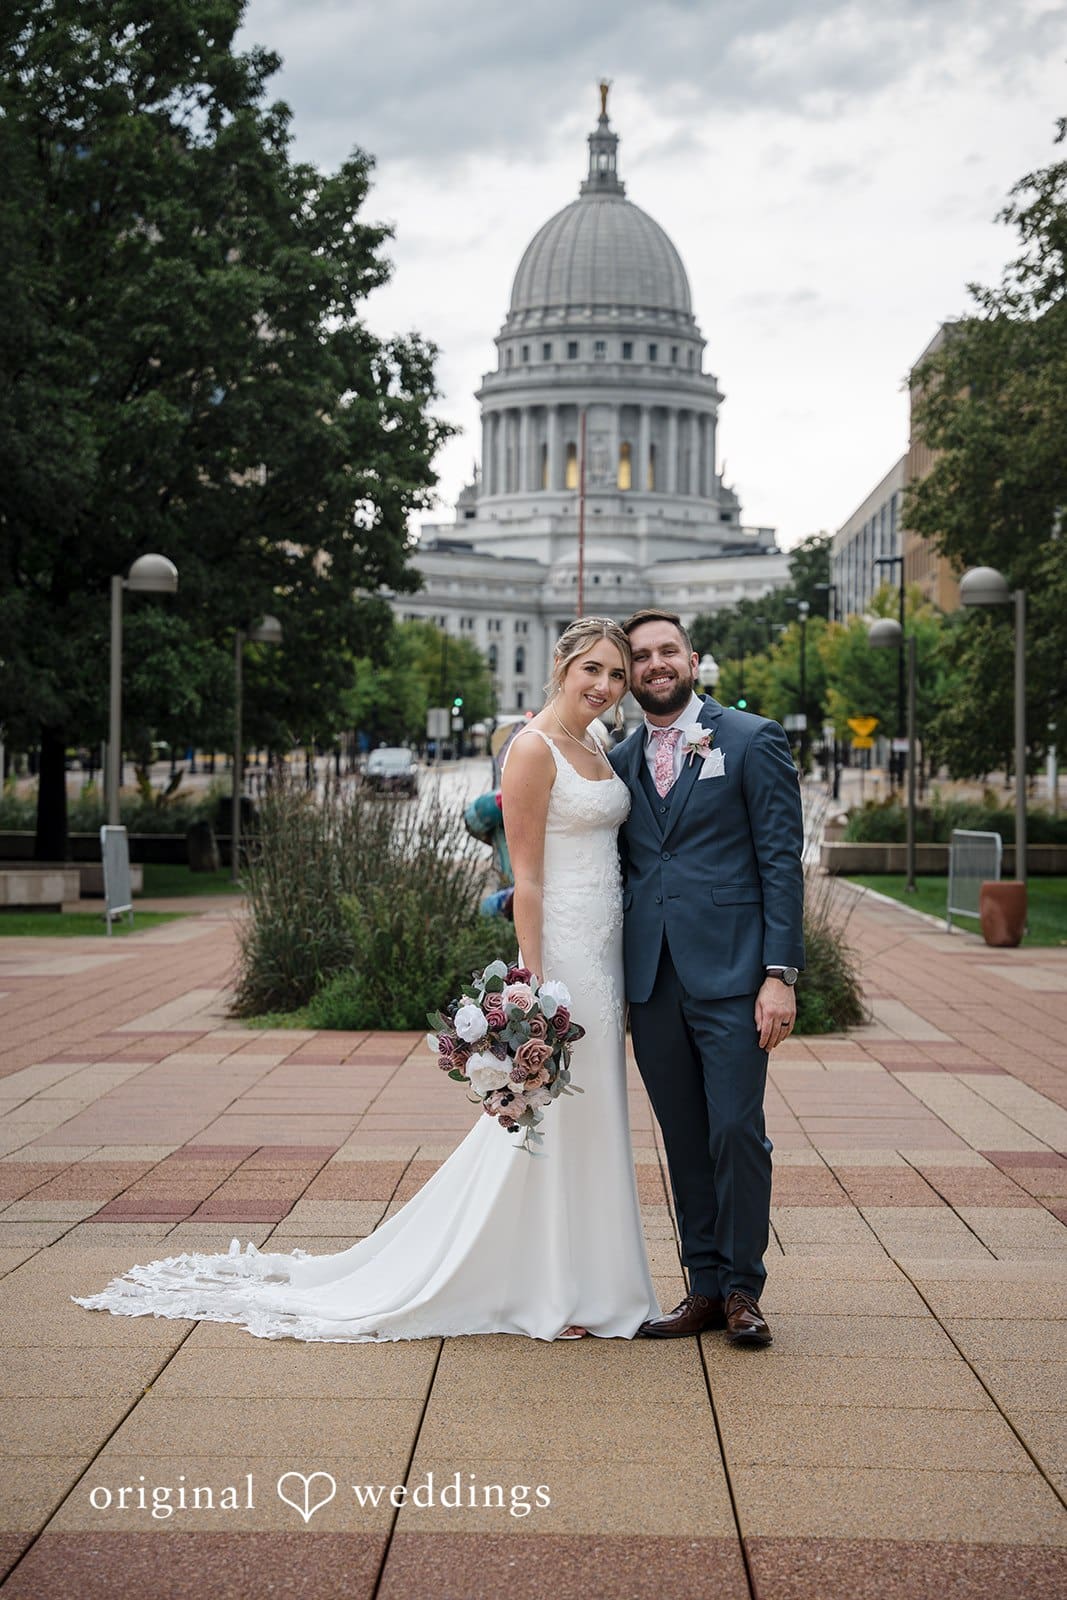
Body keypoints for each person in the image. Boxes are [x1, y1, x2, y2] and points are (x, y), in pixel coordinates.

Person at [74, 617, 658, 1345]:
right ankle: (549, 1287)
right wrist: (530, 981)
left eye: (616, 674)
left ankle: (596, 1280)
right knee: (550, 1112)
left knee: (590, 1108)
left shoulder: (596, 743)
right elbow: (528, 877)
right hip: (561, 949)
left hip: (607, 950)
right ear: (562, 666)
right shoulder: (532, 748)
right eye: (592, 669)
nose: (605, 685)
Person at [608, 608, 805, 1347]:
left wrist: (779, 974)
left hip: (733, 975)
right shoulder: (619, 759)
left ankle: (744, 1290)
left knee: (735, 1131)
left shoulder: (752, 739)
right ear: (630, 674)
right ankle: (703, 1287)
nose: (655, 664)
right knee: (684, 1139)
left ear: (693, 661)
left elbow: (780, 860)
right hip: (652, 981)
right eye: (640, 656)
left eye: (668, 651)